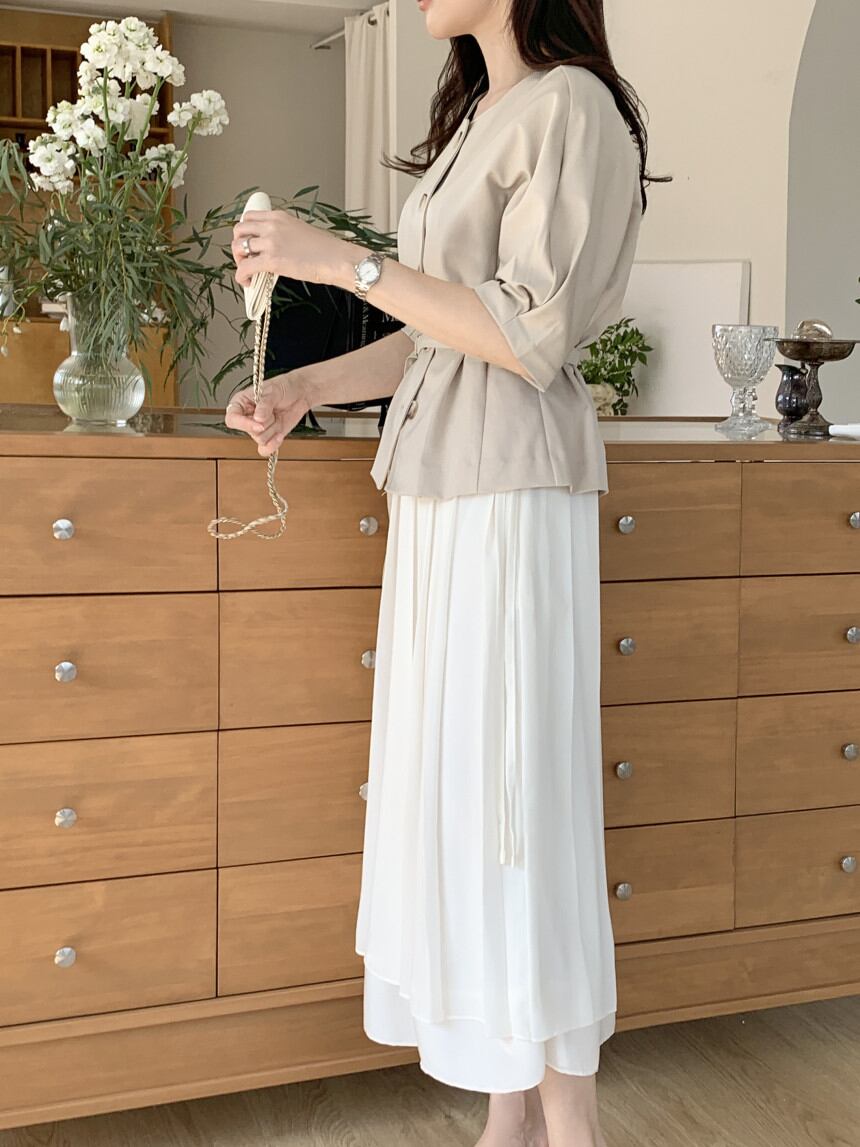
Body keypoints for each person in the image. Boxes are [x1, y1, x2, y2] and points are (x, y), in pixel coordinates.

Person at [230, 3, 658, 1143]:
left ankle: (570, 1129)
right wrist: (305, 389)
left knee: (517, 808)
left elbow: (525, 336)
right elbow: (439, 330)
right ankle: (509, 1116)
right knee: (467, 803)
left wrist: (338, 260)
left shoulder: (571, 109)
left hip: (508, 496)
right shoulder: (481, 116)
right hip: (437, 494)